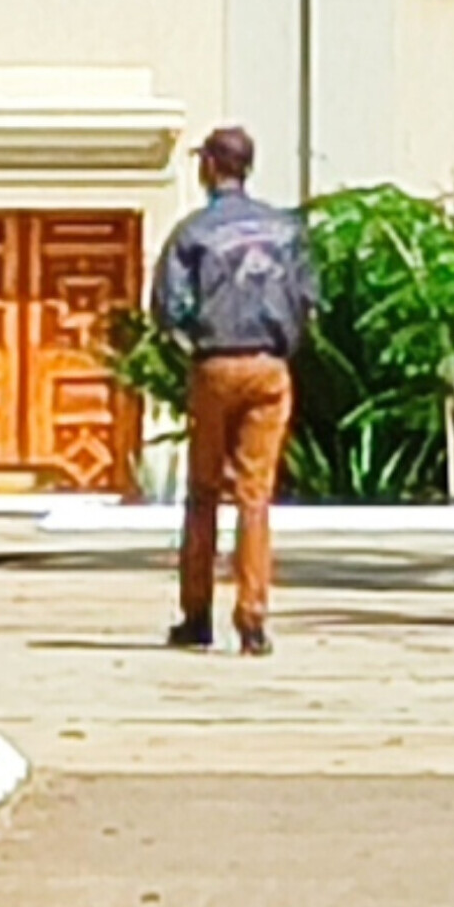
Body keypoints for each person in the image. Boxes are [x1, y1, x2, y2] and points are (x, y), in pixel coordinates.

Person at [152, 122, 311, 654]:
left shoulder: (193, 233)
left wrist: (193, 346)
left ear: (210, 167)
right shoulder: (287, 230)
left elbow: (168, 308)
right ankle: (253, 618)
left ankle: (196, 615)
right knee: (255, 496)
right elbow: (308, 298)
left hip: (216, 363)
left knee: (202, 494)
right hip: (269, 366)